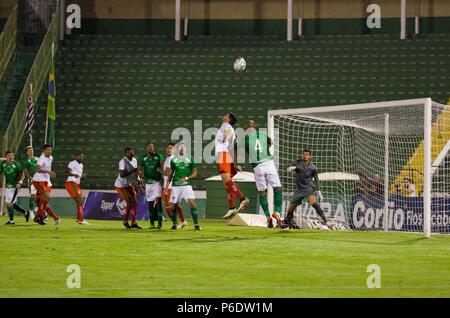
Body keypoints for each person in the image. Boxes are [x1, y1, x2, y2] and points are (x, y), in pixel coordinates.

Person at [243, 120, 282, 228]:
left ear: (246, 129)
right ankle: (277, 211)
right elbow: (271, 142)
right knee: (277, 188)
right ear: (254, 127)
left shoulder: (245, 139)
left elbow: (240, 149)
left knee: (262, 192)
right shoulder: (263, 134)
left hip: (257, 166)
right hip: (268, 162)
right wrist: (265, 148)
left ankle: (268, 217)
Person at [285, 149, 333, 230]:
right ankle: (290, 227)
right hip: (298, 190)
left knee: (314, 203)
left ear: (310, 156)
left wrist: (319, 191)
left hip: (309, 189)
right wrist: (290, 168)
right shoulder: (296, 162)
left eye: (307, 154)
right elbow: (288, 168)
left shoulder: (313, 167)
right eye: (303, 154)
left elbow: (316, 179)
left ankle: (326, 222)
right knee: (290, 210)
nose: (305, 156)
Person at [215, 112, 250, 220]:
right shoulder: (225, 127)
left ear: (228, 119)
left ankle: (243, 199)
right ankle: (232, 207)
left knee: (227, 181)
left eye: (225, 115)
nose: (223, 116)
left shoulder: (227, 126)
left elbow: (229, 133)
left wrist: (226, 138)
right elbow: (235, 147)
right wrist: (235, 163)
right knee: (227, 183)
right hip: (225, 155)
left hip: (223, 155)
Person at [164, 143, 201, 231]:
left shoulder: (190, 159)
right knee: (173, 206)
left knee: (192, 203)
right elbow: (170, 174)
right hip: (176, 186)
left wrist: (186, 178)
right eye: (180, 148)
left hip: (186, 185)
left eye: (184, 148)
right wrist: (166, 187)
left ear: (186, 149)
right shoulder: (174, 160)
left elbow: (195, 173)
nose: (182, 149)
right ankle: (174, 224)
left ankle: (196, 224)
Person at [0, 151, 32, 225]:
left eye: (12, 155)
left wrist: (20, 183)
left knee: (8, 203)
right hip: (8, 187)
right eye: (9, 155)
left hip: (15, 187)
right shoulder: (3, 163)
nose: (11, 157)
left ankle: (11, 221)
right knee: (11, 204)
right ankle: (25, 212)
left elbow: (23, 175)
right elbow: (1, 171)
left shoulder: (16, 164)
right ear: (6, 156)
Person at [138, 143, 164, 229]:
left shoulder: (159, 156)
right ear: (146, 148)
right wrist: (142, 178)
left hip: (157, 183)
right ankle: (152, 224)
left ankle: (160, 224)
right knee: (150, 204)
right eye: (149, 147)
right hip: (148, 184)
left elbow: (162, 168)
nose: (151, 148)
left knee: (158, 203)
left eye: (152, 146)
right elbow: (139, 170)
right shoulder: (142, 158)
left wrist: (161, 175)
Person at [115, 147, 142, 229]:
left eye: (132, 152)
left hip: (128, 184)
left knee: (135, 202)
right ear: (126, 154)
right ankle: (125, 221)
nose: (131, 153)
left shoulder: (134, 160)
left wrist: (138, 180)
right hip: (120, 185)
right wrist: (133, 170)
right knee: (129, 202)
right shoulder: (122, 162)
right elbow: (122, 175)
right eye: (129, 152)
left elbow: (136, 172)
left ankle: (134, 222)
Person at [32, 144, 59, 225]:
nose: (49, 151)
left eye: (50, 150)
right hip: (38, 180)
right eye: (48, 150)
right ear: (43, 151)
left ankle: (55, 218)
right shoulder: (42, 158)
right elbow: (37, 169)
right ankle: (39, 216)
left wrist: (49, 174)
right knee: (46, 197)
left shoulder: (51, 157)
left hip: (46, 181)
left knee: (42, 201)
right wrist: (48, 172)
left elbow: (47, 168)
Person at [163, 142, 187, 229]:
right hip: (169, 186)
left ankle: (176, 223)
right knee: (173, 205)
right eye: (168, 147)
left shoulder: (171, 159)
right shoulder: (168, 158)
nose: (169, 149)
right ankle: (182, 221)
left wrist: (158, 169)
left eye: (171, 148)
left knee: (169, 206)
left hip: (169, 186)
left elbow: (167, 173)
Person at [65, 152, 88, 224]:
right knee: (80, 201)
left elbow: (78, 178)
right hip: (71, 183)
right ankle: (81, 220)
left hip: (76, 184)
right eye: (80, 156)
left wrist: (82, 177)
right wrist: (73, 174)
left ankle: (79, 219)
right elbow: (67, 171)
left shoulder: (81, 165)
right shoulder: (72, 163)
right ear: (76, 157)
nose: (82, 158)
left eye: (82, 156)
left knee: (80, 201)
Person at [23, 146, 38, 214]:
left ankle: (38, 208)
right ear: (27, 152)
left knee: (43, 196)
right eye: (29, 150)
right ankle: (31, 211)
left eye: (32, 149)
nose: (31, 151)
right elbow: (26, 172)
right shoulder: (26, 161)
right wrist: (31, 179)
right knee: (33, 196)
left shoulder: (38, 159)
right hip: (32, 180)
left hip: (40, 180)